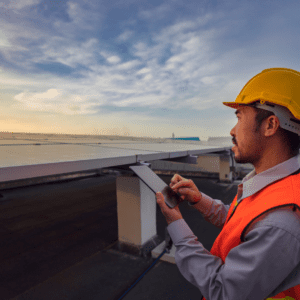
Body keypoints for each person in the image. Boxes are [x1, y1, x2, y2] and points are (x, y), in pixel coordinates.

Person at [156, 68, 300, 300]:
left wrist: (176, 224)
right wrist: (199, 200)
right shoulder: (277, 185)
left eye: (240, 117)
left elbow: (223, 291)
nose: (232, 131)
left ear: (270, 125)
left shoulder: (283, 221)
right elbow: (242, 223)